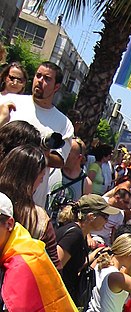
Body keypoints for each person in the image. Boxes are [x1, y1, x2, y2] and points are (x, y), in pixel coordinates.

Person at [1, 61, 74, 207]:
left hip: (29, 199)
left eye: (47, 79)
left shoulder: (64, 123)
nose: (40, 81)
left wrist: (41, 151)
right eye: (38, 76)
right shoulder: (9, 102)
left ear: (57, 87)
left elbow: (60, 160)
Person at [0, 144, 60, 268]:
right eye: (41, 176)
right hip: (16, 283)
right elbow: (53, 269)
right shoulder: (39, 220)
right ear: (32, 178)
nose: (42, 181)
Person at [55, 194, 120, 306]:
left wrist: (96, 254)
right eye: (105, 216)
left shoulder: (82, 234)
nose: (107, 221)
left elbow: (75, 264)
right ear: (91, 216)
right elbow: (56, 266)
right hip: (58, 296)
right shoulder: (75, 234)